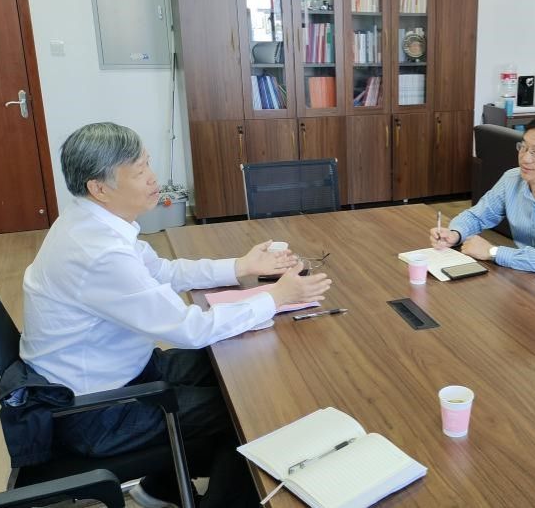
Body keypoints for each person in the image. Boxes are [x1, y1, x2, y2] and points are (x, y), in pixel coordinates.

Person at [20, 122, 332, 507]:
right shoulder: (99, 252)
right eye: (139, 171)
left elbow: (163, 272)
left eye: (148, 164)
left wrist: (241, 266)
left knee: (242, 365)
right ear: (99, 188)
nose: (153, 178)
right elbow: (190, 329)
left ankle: (160, 488)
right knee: (249, 409)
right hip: (98, 413)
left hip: (120, 373)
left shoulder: (91, 222)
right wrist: (276, 297)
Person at [429, 115, 535, 286]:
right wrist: (455, 234)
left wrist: (492, 251)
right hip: (525, 275)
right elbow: (476, 216)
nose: (525, 158)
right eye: (523, 147)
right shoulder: (512, 178)